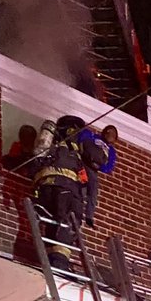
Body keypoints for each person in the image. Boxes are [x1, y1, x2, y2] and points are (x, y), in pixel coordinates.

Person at [30, 114, 103, 271]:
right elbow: (99, 160)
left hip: (45, 189)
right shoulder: (75, 151)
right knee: (67, 224)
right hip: (66, 189)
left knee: (51, 225)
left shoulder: (55, 146)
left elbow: (34, 164)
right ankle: (59, 264)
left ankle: (51, 261)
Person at [78, 124, 118, 227]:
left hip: (93, 170)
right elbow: (83, 137)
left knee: (93, 192)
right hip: (83, 165)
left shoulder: (111, 151)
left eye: (112, 135)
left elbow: (109, 166)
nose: (109, 135)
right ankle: (77, 208)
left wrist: (99, 167)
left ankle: (89, 216)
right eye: (108, 132)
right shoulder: (93, 136)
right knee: (81, 185)